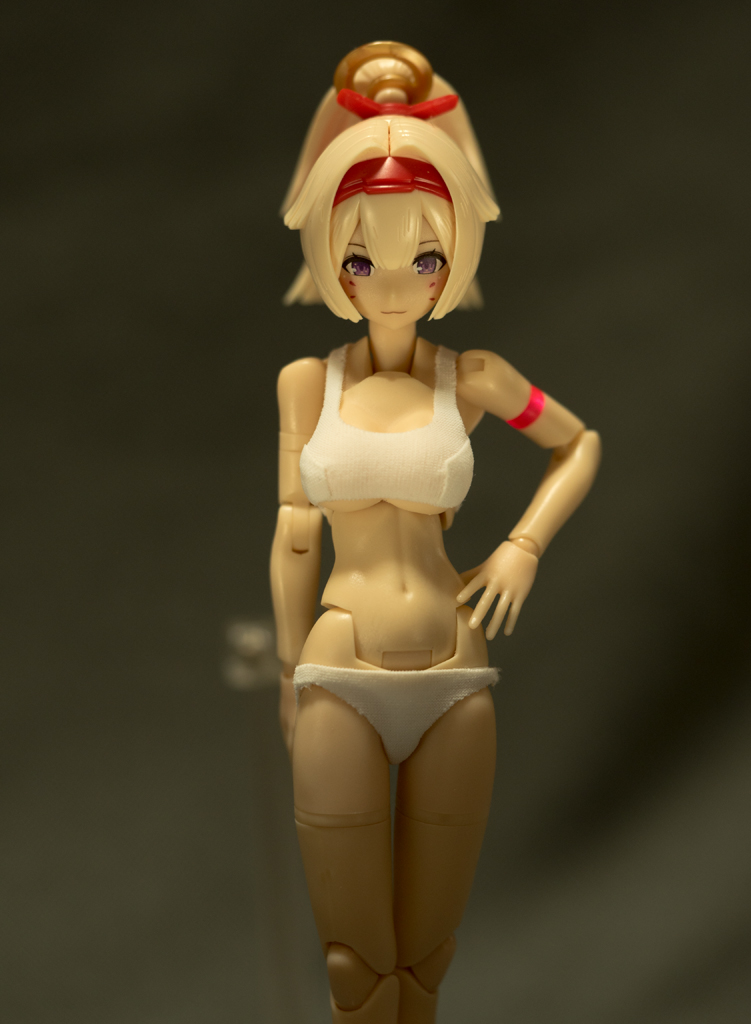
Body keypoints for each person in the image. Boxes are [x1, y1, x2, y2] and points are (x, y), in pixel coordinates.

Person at [270, 41, 601, 1024]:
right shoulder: (307, 385)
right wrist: (288, 668)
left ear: (455, 260)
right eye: (361, 259)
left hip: (456, 674)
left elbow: (577, 444)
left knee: (426, 960)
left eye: (424, 258)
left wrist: (523, 547)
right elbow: (295, 534)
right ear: (330, 260)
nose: (392, 283)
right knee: (354, 965)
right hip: (339, 670)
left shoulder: (476, 379)